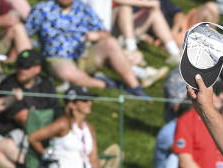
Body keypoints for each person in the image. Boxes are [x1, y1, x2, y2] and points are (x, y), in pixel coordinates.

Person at [25, 0, 158, 96]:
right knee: (67, 73)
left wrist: (97, 36)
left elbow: (104, 32)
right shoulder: (42, 9)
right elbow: (25, 33)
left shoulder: (82, 8)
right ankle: (107, 84)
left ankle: (135, 87)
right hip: (57, 58)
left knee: (110, 42)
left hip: (83, 54)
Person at [0, 49, 60, 141]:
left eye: (27, 67)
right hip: (16, 133)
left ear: (38, 69)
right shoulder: (8, 85)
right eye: (20, 65)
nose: (22, 70)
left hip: (45, 131)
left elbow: (57, 112)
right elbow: (25, 120)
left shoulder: (46, 83)